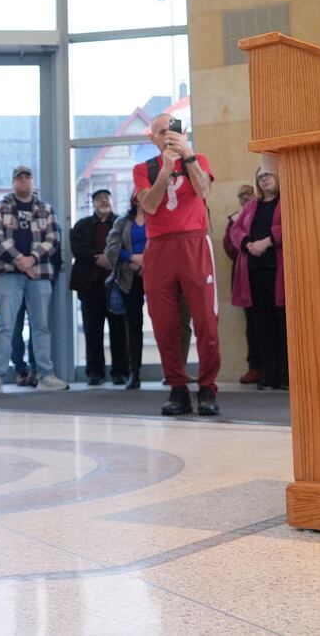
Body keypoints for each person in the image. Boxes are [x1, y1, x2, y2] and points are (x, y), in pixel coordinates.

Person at [133, 114, 221, 416]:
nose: (168, 136)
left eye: (173, 130)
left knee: (206, 321)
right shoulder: (142, 169)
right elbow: (149, 205)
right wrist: (166, 170)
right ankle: (177, 389)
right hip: (159, 248)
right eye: (162, 132)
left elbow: (203, 191)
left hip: (194, 244)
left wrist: (188, 156)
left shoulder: (199, 159)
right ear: (152, 138)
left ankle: (207, 388)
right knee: (165, 324)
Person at [0, 165, 68, 394]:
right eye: (19, 178)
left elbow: (53, 239)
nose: (23, 181)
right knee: (6, 326)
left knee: (41, 327)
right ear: (13, 182)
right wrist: (20, 260)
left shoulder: (45, 208)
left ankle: (45, 375)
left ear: (32, 182)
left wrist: (32, 259)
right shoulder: (1, 206)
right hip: (8, 275)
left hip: (39, 275)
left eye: (27, 177)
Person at [229, 167, 286, 390]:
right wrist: (247, 244)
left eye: (268, 175)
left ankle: (285, 376)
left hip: (278, 273)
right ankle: (268, 375)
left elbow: (291, 223)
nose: (264, 180)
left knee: (282, 325)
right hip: (254, 274)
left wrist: (268, 241)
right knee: (262, 327)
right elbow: (236, 229)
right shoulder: (252, 206)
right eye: (260, 177)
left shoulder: (286, 201)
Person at [70, 189, 125, 385]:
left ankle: (120, 372)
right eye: (99, 199)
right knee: (92, 331)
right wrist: (99, 258)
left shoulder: (121, 222)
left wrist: (110, 259)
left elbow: (126, 245)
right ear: (92, 203)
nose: (103, 201)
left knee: (119, 331)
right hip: (90, 286)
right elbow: (77, 247)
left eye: (106, 198)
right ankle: (95, 372)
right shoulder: (82, 225)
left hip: (117, 286)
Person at [104, 193, 149, 389]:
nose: (143, 198)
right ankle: (134, 373)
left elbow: (165, 244)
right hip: (128, 278)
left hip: (155, 276)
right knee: (133, 326)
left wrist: (147, 260)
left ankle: (172, 372)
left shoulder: (159, 219)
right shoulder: (122, 222)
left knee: (166, 324)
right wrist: (132, 258)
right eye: (139, 195)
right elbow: (111, 248)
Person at [223, 183, 259, 384]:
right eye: (240, 196)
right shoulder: (234, 220)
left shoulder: (265, 211)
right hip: (245, 278)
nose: (244, 198)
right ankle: (255, 366)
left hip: (268, 273)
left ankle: (277, 368)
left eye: (248, 193)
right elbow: (230, 249)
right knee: (251, 326)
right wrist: (248, 245)